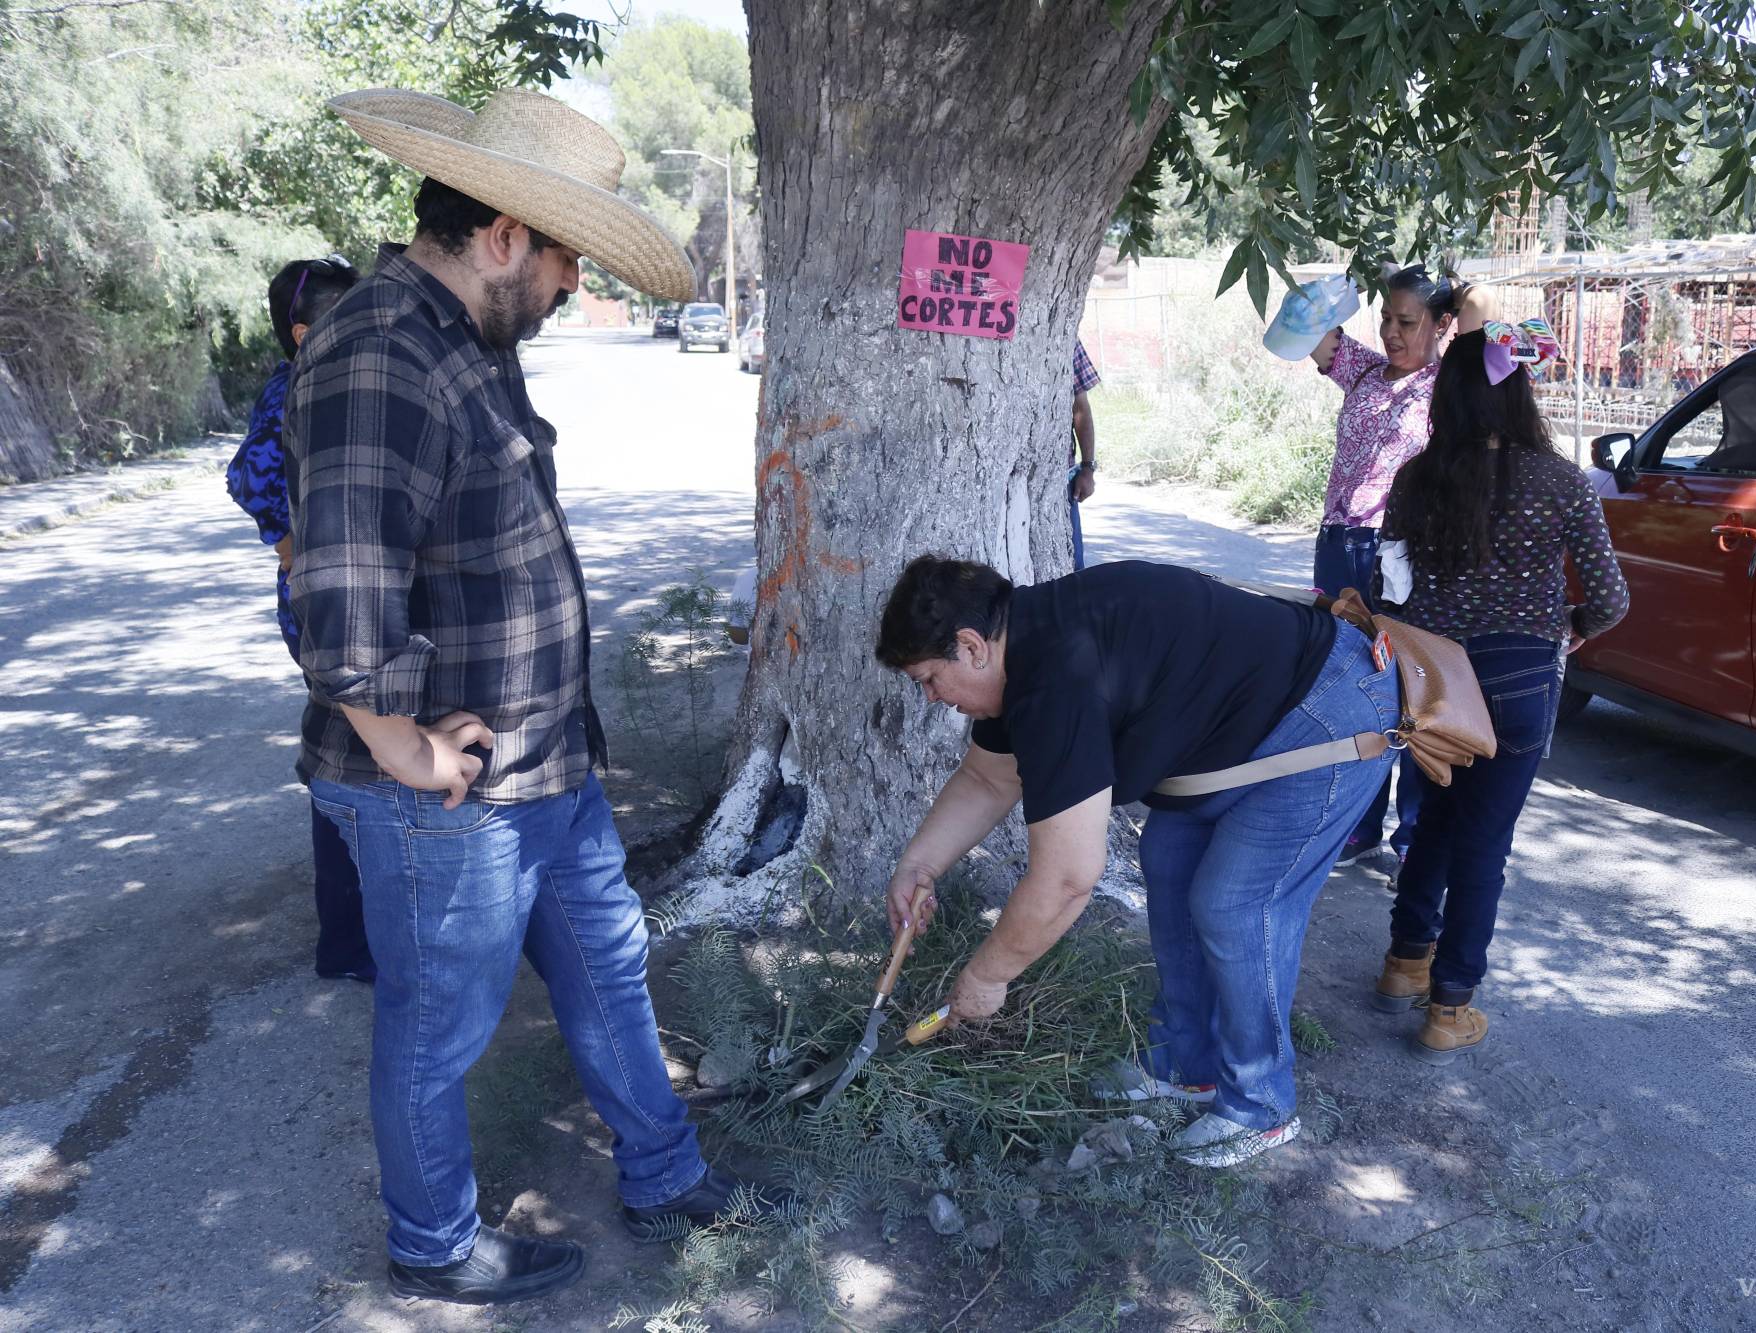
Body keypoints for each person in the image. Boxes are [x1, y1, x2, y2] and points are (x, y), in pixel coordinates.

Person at [287, 87, 789, 1307]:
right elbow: (343, 595)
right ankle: (434, 1246)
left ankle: (664, 1175)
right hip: (448, 795)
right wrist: (402, 748)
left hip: (545, 769)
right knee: (436, 1025)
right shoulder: (382, 353)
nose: (572, 286)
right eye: (567, 257)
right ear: (504, 233)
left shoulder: (468, 337)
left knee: (611, 972)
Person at [876, 556, 1399, 1168]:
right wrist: (919, 866)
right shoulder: (1022, 652)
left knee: (1235, 905)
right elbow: (988, 780)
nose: (934, 699)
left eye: (930, 680)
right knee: (1169, 859)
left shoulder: (1054, 682)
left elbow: (1068, 878)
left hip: (1331, 710)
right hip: (1244, 722)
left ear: (970, 647)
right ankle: (1187, 1063)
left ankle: (1260, 1106)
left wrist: (988, 977)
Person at [1370, 320, 1629, 1064]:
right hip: (1520, 683)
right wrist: (1572, 624)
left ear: (1446, 399)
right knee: (1484, 841)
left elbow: (1391, 590)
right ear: (1519, 395)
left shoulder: (1417, 478)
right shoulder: (1561, 480)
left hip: (1435, 684)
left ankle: (1402, 964)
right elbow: (1611, 598)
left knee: (1433, 822)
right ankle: (1449, 1007)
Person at [1267, 265, 1471, 872]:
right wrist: (1344, 282)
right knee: (1347, 681)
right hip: (1339, 543)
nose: (1390, 332)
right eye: (1384, 317)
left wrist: (1459, 296)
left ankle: (1412, 835)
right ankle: (1357, 825)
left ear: (1442, 325)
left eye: (1407, 321)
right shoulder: (1362, 370)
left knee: (1405, 684)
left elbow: (1492, 332)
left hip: (1399, 551)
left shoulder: (1448, 387)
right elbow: (1299, 323)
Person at [225, 255, 373, 983]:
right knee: (347, 757)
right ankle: (348, 944)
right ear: (305, 330)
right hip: (320, 605)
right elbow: (248, 478)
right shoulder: (293, 389)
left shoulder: (336, 381)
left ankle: (352, 940)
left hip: (339, 596)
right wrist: (292, 557)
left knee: (352, 754)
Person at [1069, 338, 1099, 571]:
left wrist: (1087, 467)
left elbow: (1081, 408)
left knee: (1071, 565)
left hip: (1060, 479)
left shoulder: (1066, 338)